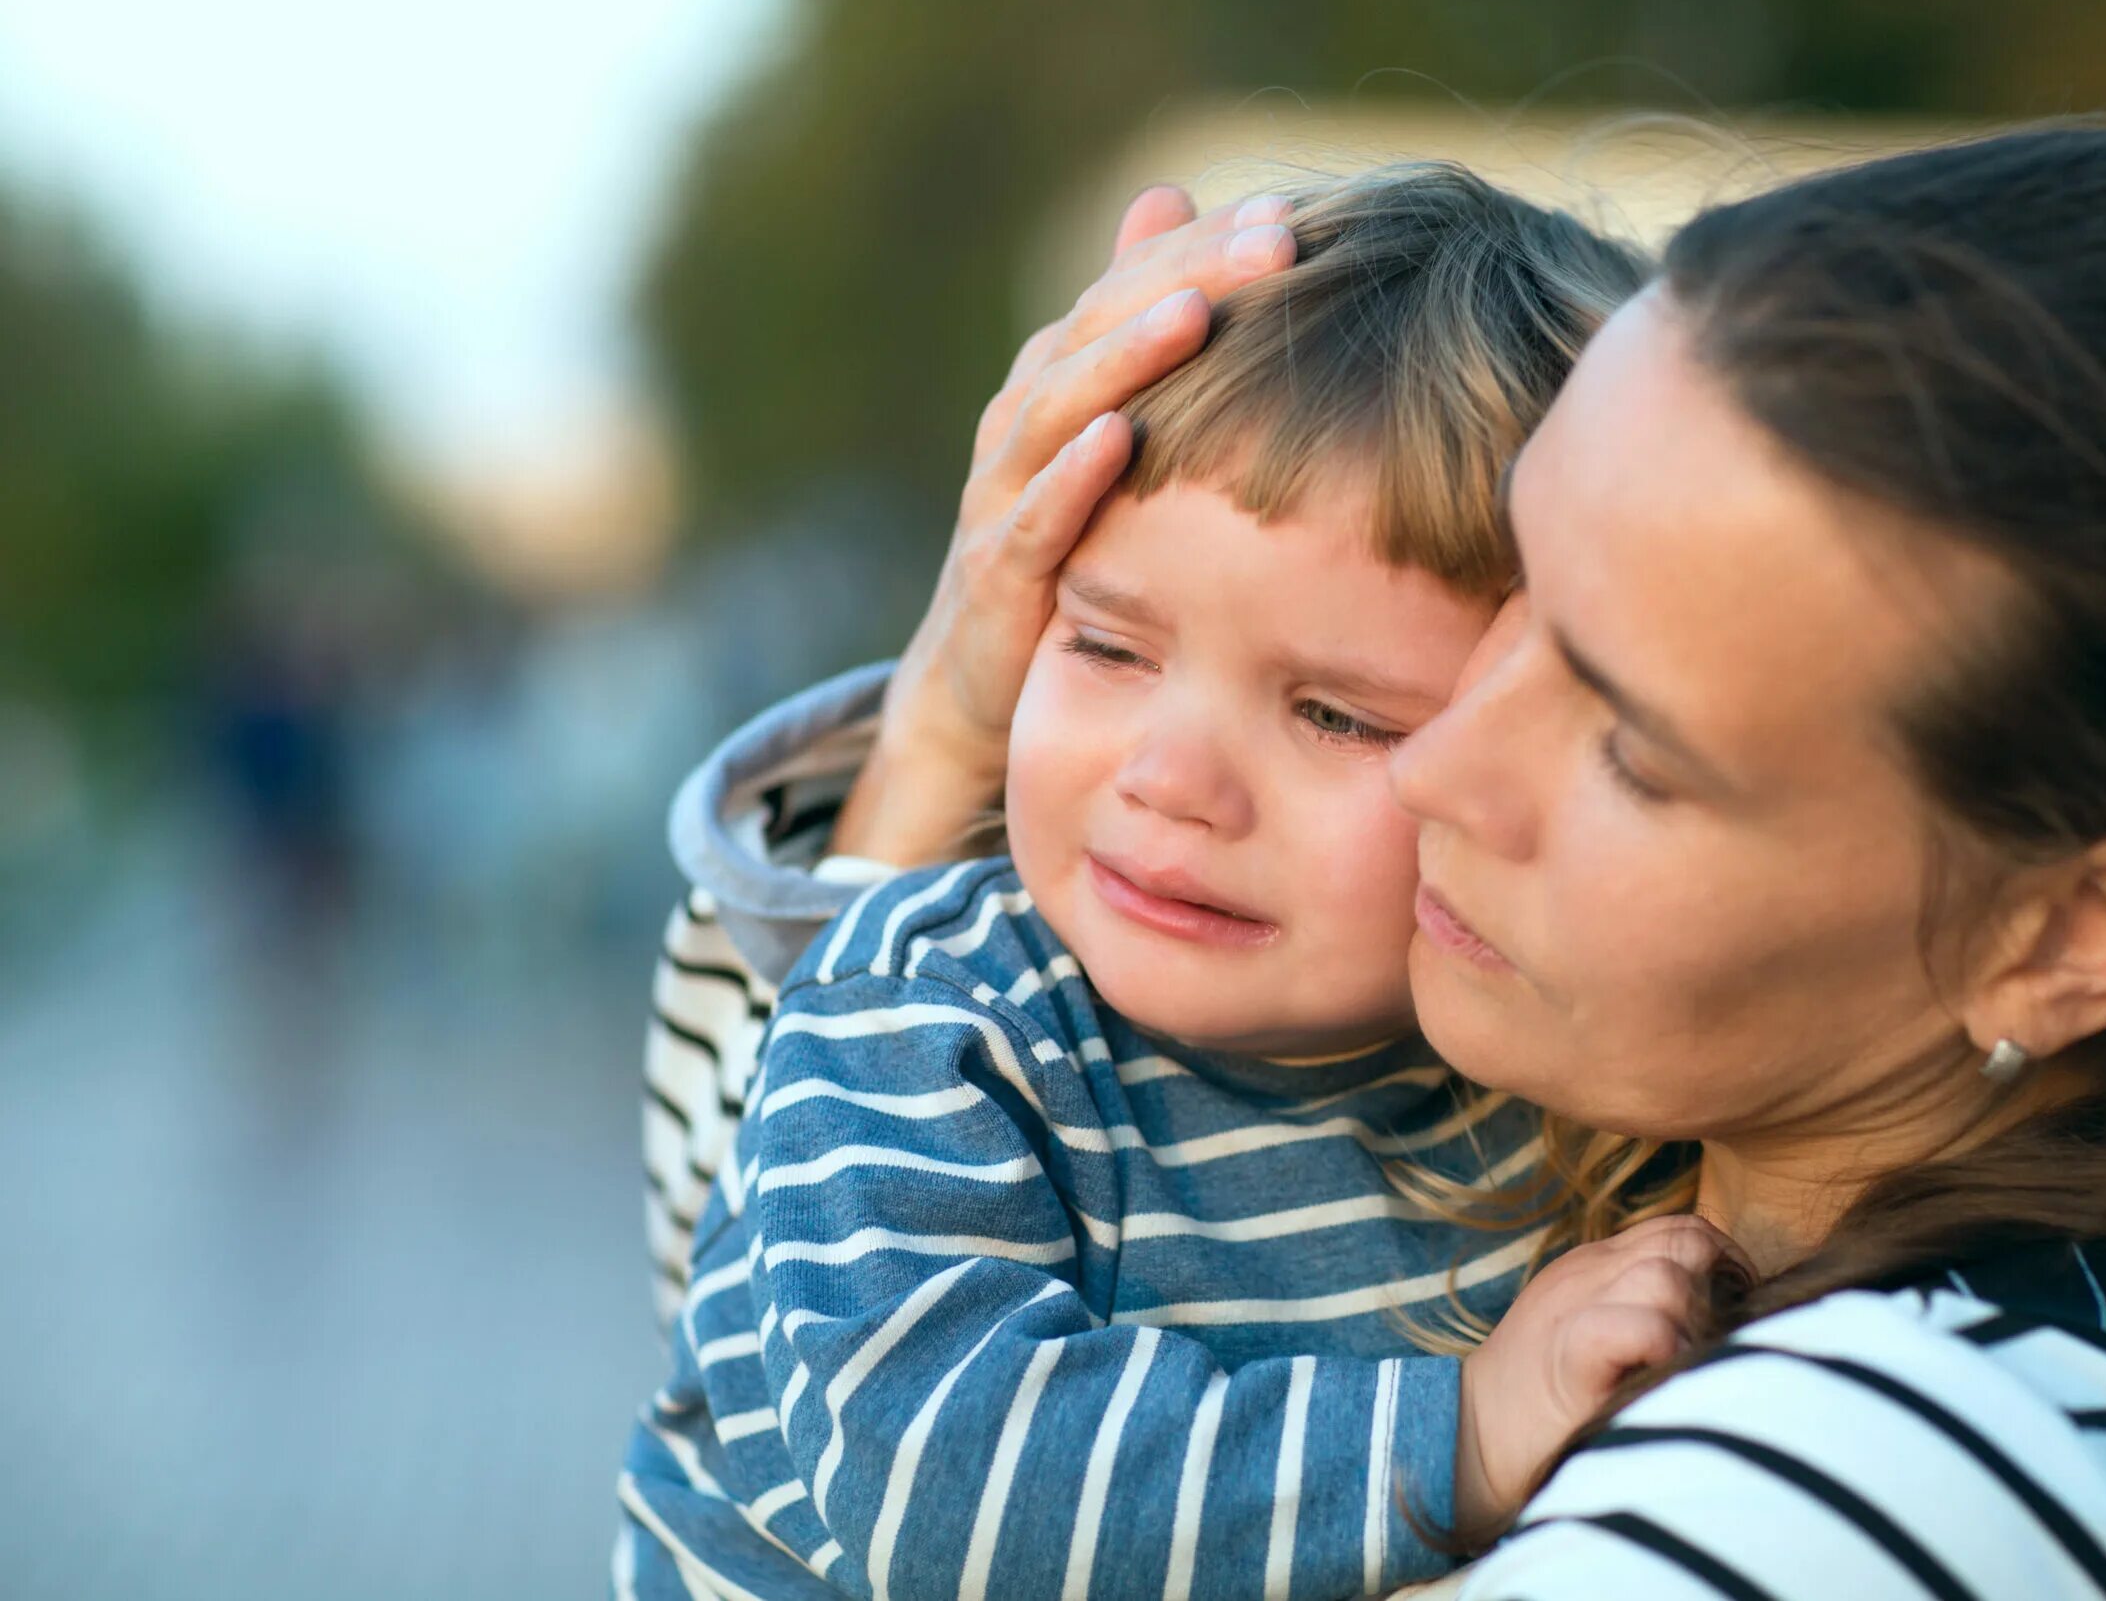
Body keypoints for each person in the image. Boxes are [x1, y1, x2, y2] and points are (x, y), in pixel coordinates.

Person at [726, 123, 2106, 1599]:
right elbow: (763, 1330)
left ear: (2064, 938)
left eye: (1628, 739)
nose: (1444, 756)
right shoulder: (1639, 1174)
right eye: (1509, 610)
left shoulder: (1847, 1494)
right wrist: (948, 739)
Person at [618, 164, 1722, 1601]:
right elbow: (938, 1483)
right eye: (1108, 647)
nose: (1170, 779)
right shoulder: (933, 1014)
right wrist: (1462, 1434)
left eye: (1337, 715)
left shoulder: (1559, 1096)